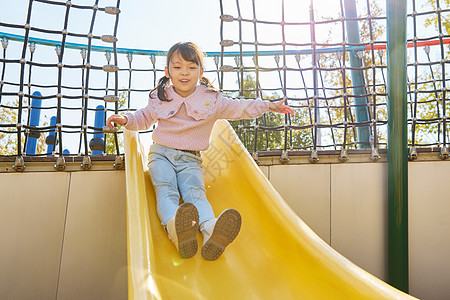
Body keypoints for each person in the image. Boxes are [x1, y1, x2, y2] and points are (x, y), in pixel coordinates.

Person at [106, 42, 294, 261]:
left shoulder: (212, 100)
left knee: (196, 193)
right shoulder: (161, 97)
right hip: (161, 154)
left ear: (201, 72)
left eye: (191, 67)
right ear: (167, 72)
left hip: (190, 159)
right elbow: (143, 118)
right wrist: (125, 119)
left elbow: (240, 107)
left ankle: (210, 229)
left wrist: (269, 106)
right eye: (177, 67)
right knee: (166, 190)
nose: (184, 72)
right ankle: (175, 227)